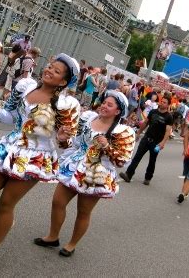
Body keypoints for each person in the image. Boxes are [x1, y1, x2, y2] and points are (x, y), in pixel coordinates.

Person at [0, 53, 80, 267]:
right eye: (50, 66)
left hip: (36, 156)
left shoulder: (67, 104)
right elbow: (11, 116)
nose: (49, 70)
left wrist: (62, 138)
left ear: (64, 81)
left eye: (56, 71)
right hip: (9, 148)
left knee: (6, 204)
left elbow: (67, 140)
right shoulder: (25, 87)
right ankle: (6, 222)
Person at [34, 90, 135, 257]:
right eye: (104, 102)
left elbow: (122, 161)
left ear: (118, 112)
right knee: (57, 202)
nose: (104, 106)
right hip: (73, 166)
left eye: (109, 105)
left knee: (83, 211)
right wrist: (62, 138)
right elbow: (74, 144)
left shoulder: (122, 131)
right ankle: (53, 236)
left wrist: (107, 147)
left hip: (96, 174)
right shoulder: (88, 118)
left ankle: (71, 244)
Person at [120, 96, 173, 185]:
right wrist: (138, 133)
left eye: (164, 102)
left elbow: (168, 131)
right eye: (162, 101)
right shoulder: (153, 112)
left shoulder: (169, 117)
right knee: (137, 156)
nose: (162, 103)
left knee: (152, 160)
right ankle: (128, 174)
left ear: (168, 105)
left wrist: (163, 142)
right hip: (146, 138)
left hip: (156, 142)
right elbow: (145, 123)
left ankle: (148, 177)